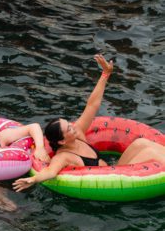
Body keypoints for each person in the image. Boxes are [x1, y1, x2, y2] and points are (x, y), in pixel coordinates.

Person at [14, 55, 165, 192]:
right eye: (69, 129)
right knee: (150, 153)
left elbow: (92, 105)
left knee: (141, 143)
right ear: (62, 141)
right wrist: (32, 179)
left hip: (118, 170)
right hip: (111, 185)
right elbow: (50, 172)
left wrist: (105, 74)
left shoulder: (78, 134)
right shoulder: (63, 156)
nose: (73, 126)